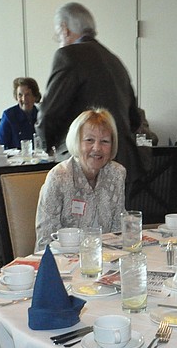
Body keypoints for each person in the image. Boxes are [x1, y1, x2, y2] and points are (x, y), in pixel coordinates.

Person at [37, 2, 142, 192]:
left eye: (58, 33)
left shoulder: (68, 55)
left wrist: (47, 147)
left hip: (84, 164)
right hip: (123, 165)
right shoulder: (115, 60)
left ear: (65, 29)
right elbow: (134, 119)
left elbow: (49, 114)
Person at [35, 108, 125, 251]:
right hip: (63, 258)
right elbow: (46, 239)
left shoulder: (116, 174)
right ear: (76, 142)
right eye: (89, 140)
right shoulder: (59, 177)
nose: (97, 148)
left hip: (105, 257)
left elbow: (118, 231)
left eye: (105, 141)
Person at [0, 77, 41, 149]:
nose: (24, 99)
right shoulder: (9, 116)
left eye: (27, 95)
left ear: (34, 96)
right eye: (20, 95)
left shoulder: (41, 115)